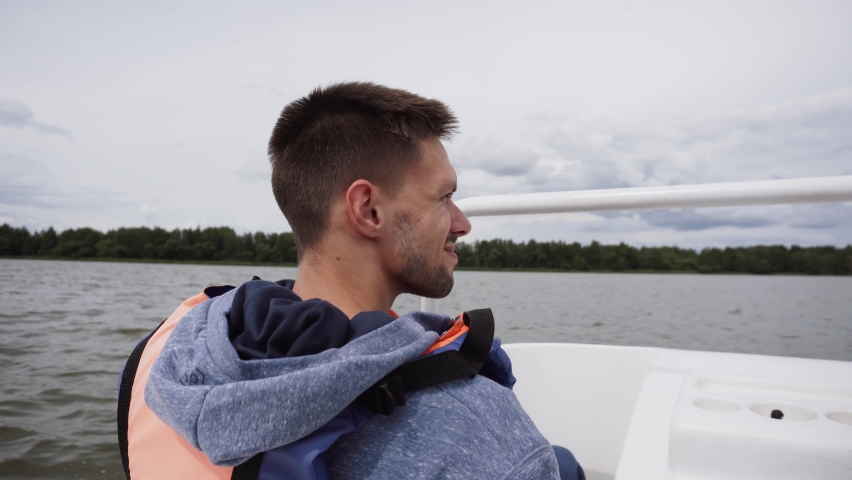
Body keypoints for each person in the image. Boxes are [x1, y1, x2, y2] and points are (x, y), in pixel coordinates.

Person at [118, 82, 584, 479]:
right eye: (443, 197)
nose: (462, 223)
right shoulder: (473, 423)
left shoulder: (159, 358)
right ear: (368, 210)